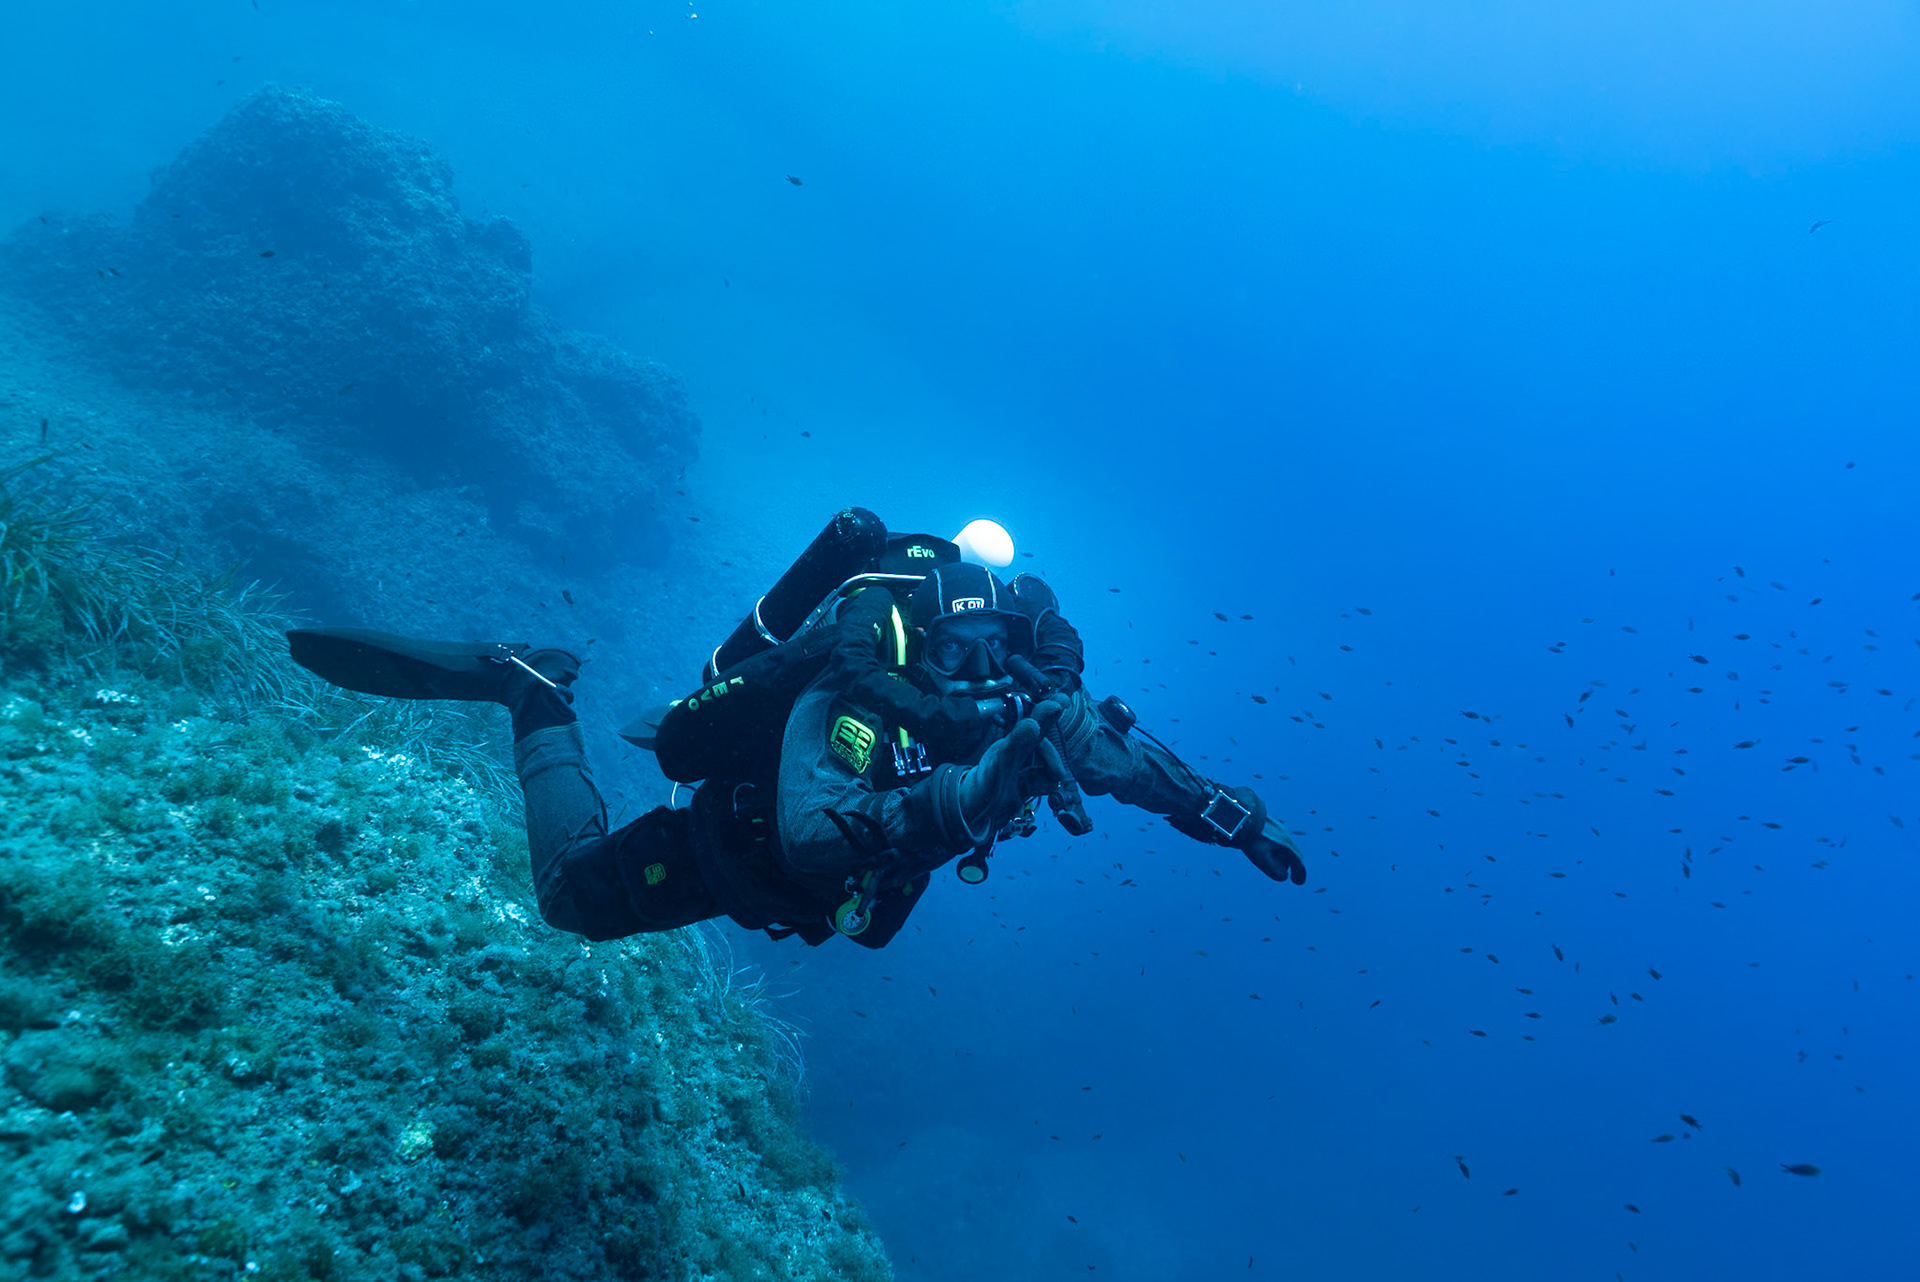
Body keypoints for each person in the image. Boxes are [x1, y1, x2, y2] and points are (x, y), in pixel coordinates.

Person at [286, 512, 1305, 949]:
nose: (980, 676)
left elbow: (1128, 762)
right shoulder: (850, 689)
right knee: (569, 901)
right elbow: (819, 834)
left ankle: (531, 691)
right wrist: (974, 794)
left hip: (817, 891)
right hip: (736, 848)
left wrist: (1228, 816)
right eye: (958, 652)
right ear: (920, 634)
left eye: (997, 653)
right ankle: (528, 689)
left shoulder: (1025, 711)